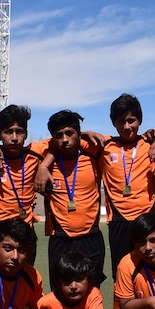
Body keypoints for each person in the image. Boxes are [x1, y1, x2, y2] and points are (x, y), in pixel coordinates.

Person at [98, 94, 155, 309]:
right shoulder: (103, 147)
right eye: (121, 121)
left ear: (140, 120)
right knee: (122, 284)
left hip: (147, 222)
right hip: (119, 224)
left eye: (132, 120)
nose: (127, 126)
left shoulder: (153, 144)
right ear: (113, 122)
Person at [41, 110, 106, 287]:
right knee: (60, 293)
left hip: (91, 237)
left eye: (70, 133)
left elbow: (120, 140)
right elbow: (12, 145)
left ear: (78, 134)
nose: (64, 139)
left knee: (92, 291)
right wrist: (43, 165)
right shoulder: (44, 154)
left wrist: (85, 133)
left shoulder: (94, 153)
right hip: (60, 238)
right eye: (58, 135)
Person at [0, 105, 47, 261]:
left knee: (25, 282)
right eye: (8, 132)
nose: (14, 137)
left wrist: (43, 166)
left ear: (26, 134)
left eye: (19, 132)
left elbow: (63, 137)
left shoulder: (34, 154)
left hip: (26, 233)